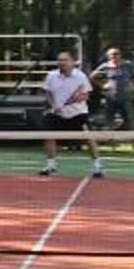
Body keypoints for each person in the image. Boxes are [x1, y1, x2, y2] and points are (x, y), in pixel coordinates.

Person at [39, 46, 100, 177]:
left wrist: (77, 99)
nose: (61, 62)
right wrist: (53, 105)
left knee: (88, 138)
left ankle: (97, 166)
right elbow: (48, 93)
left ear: (72, 62)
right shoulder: (51, 76)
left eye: (65, 60)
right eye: (59, 60)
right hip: (57, 113)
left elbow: (86, 96)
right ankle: (51, 164)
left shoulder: (80, 76)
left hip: (78, 113)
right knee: (48, 135)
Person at [95, 45, 134, 131]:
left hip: (125, 96)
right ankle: (110, 138)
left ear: (120, 55)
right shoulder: (105, 66)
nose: (114, 56)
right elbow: (92, 76)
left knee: (128, 118)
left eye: (116, 54)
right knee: (109, 118)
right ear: (108, 56)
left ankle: (129, 138)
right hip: (110, 97)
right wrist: (102, 85)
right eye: (112, 54)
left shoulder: (127, 65)